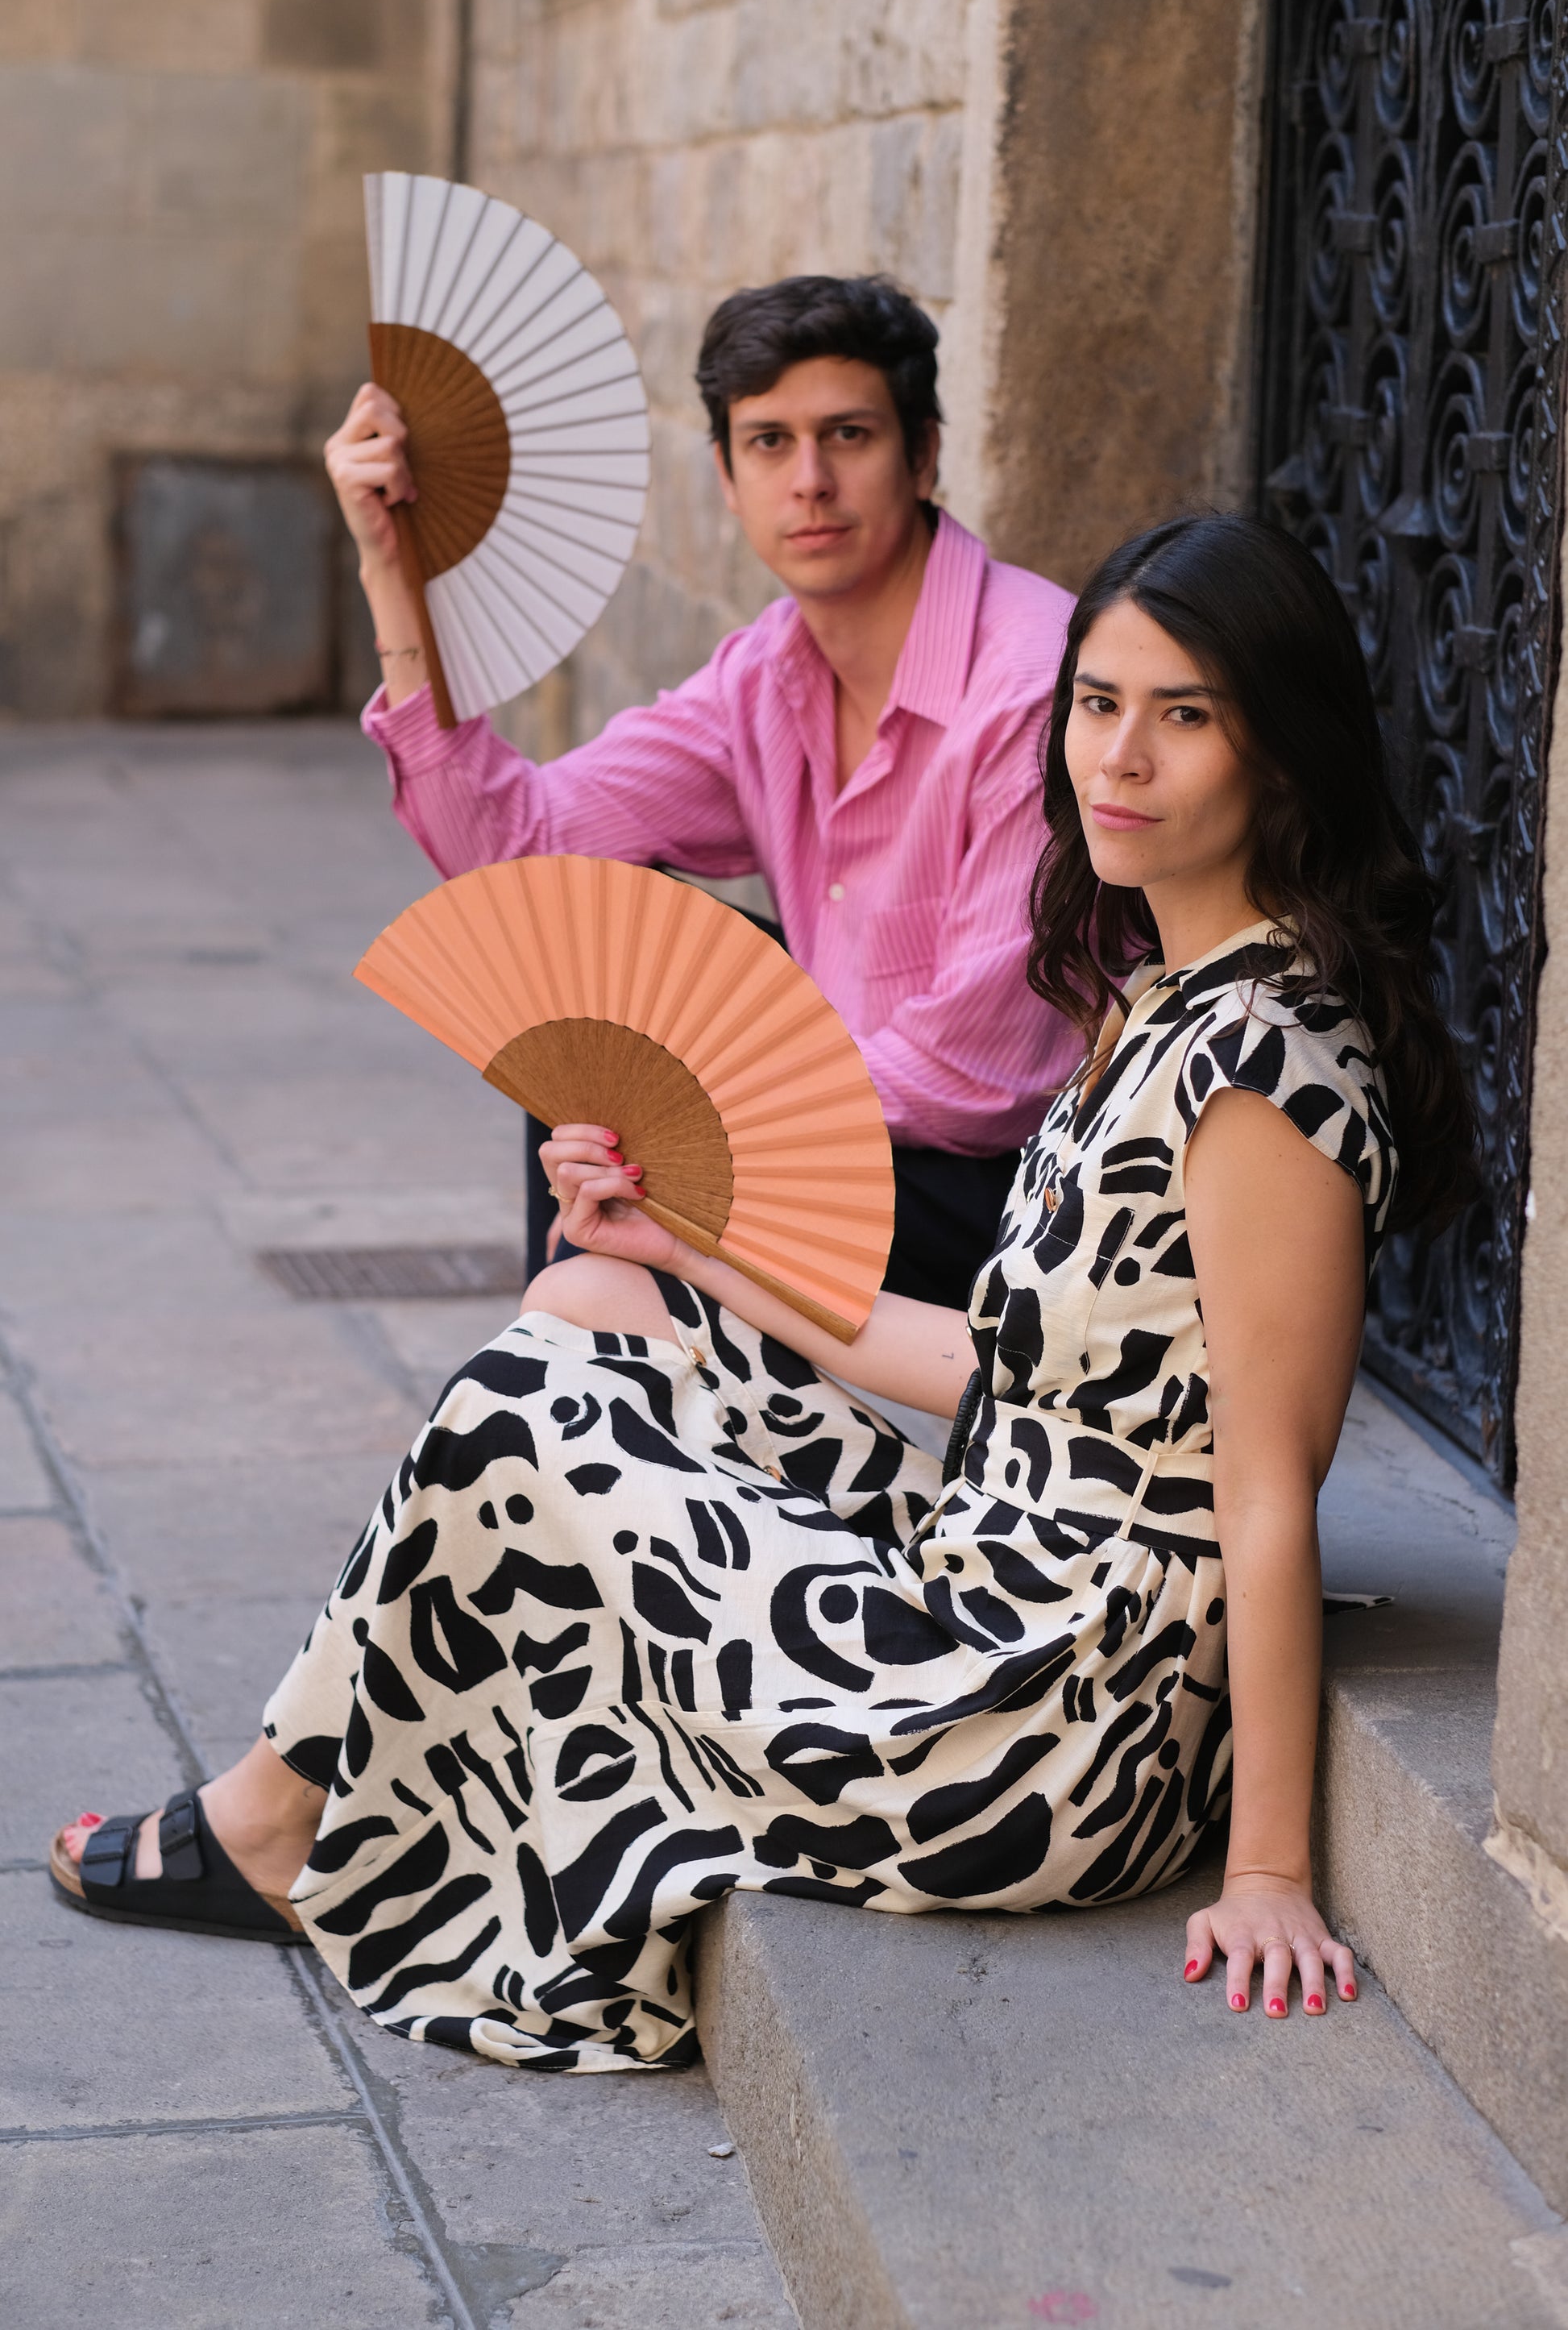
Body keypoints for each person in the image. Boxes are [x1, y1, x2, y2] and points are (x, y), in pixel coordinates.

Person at [52, 515, 1475, 2068]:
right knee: (596, 1303)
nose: (1119, 755)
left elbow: (1268, 1489)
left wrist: (1267, 1866)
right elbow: (1005, 1367)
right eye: (1096, 702)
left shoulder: (1261, 1066)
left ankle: (271, 1819)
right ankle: (310, 1791)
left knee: (518, 1418)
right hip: (993, 1544)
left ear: (1282, 752)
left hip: (1046, 1716)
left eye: (1184, 714)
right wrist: (686, 1244)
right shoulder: (1162, 998)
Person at [326, 274, 1079, 1308]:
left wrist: (702, 1113)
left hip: (1008, 1198)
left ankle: (600, 1386)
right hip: (848, 1124)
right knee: (590, 989)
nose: (807, 480)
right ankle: (596, 1385)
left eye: (847, 435)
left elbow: (968, 1084)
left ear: (924, 453)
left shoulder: (1027, 691)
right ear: (727, 477)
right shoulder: (766, 675)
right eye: (769, 442)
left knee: (638, 1153)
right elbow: (520, 848)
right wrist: (391, 570)